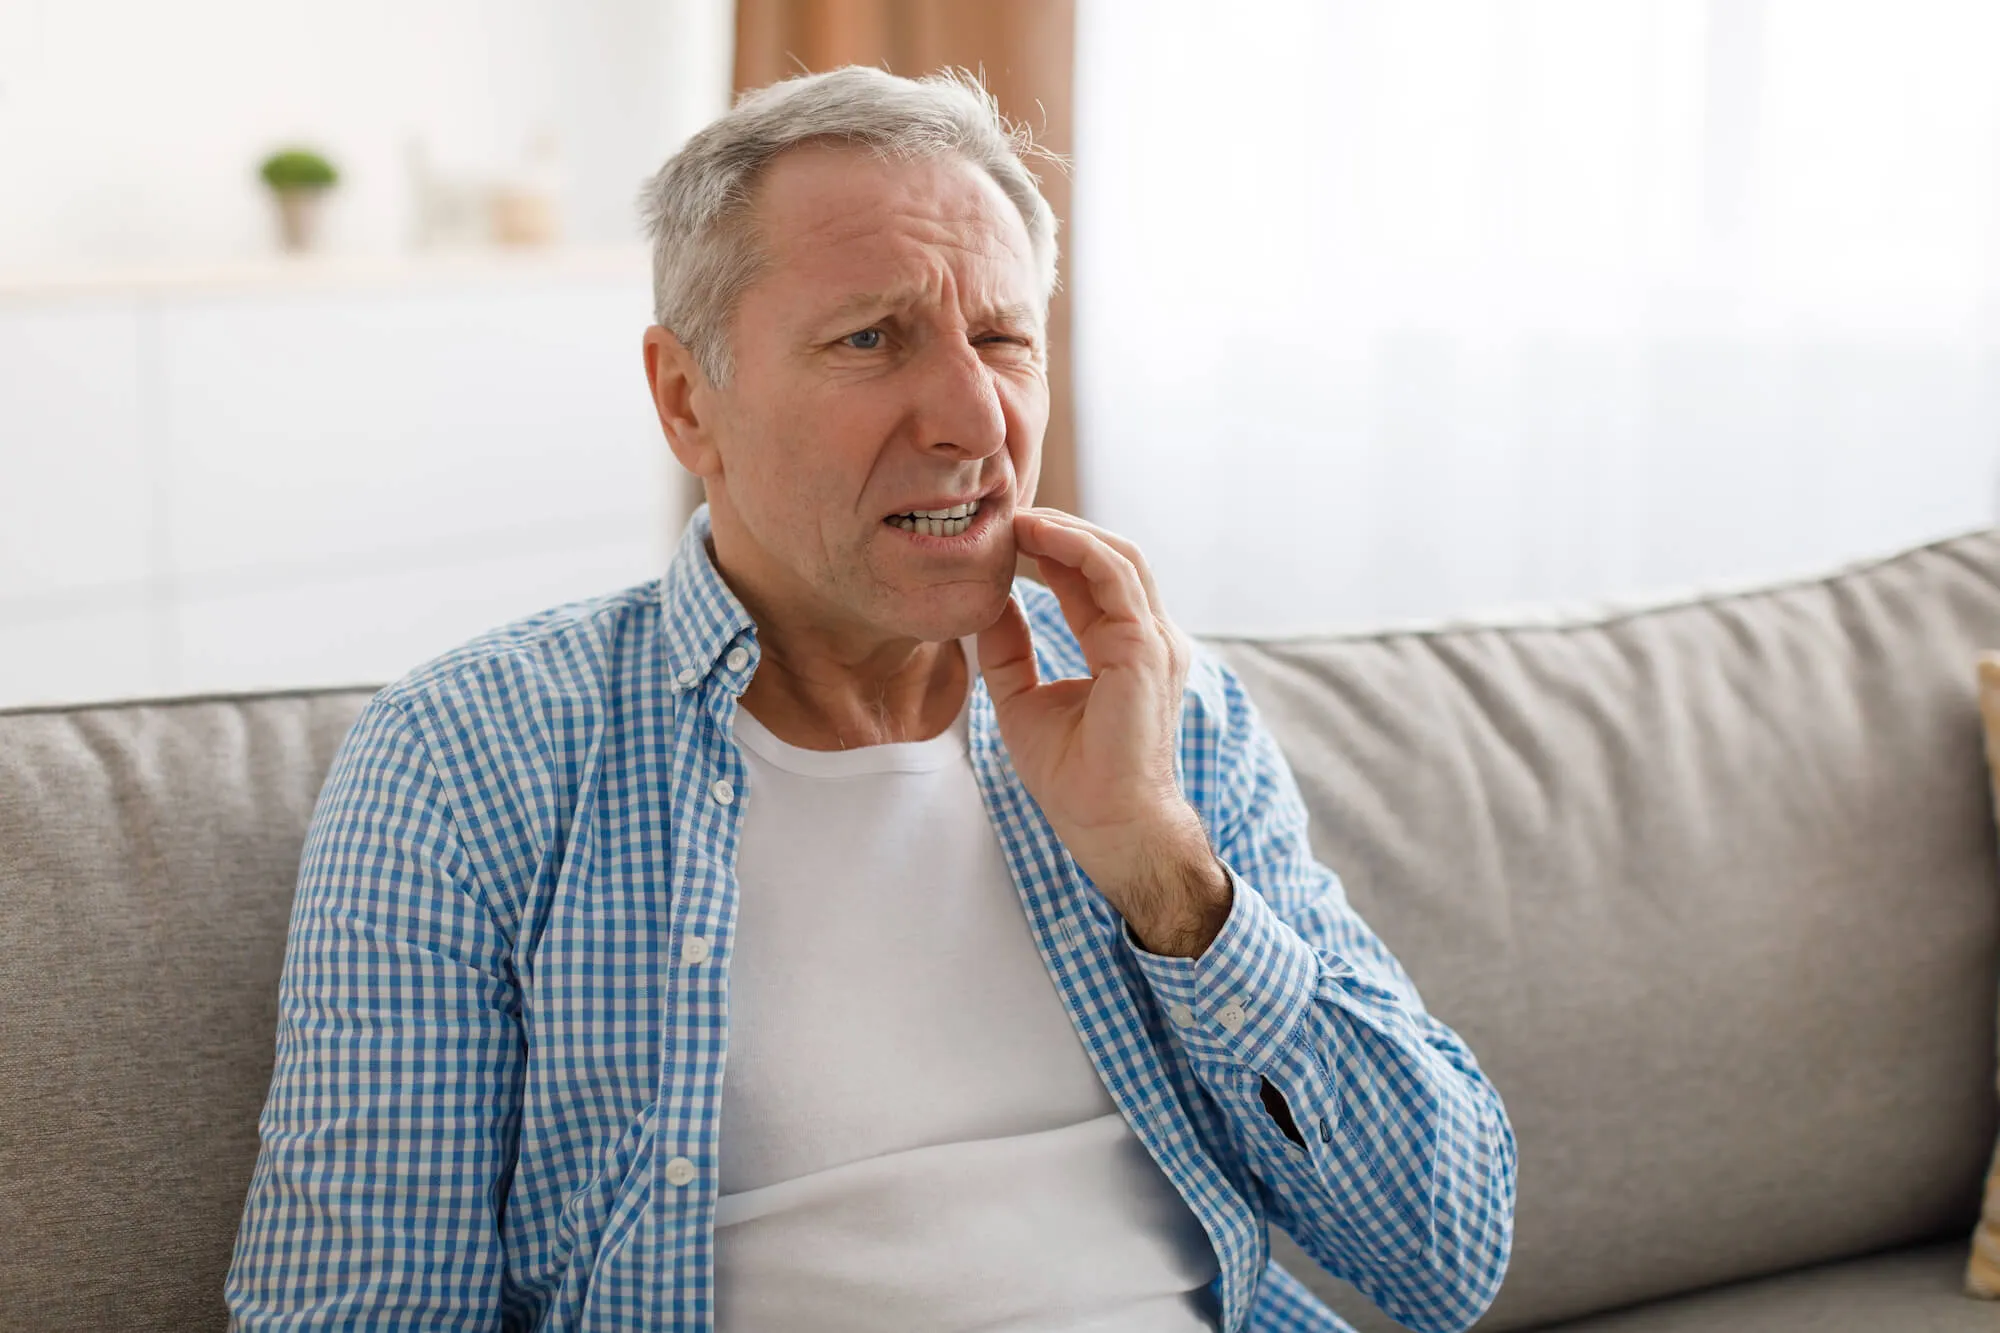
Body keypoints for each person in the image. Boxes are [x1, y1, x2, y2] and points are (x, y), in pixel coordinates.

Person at [225, 65, 1515, 1332]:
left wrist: (1164, 871)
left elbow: (1448, 1258)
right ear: (689, 400)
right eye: (869, 339)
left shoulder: (1164, 710)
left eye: (1004, 338)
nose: (975, 417)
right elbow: (360, 1307)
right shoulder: (471, 760)